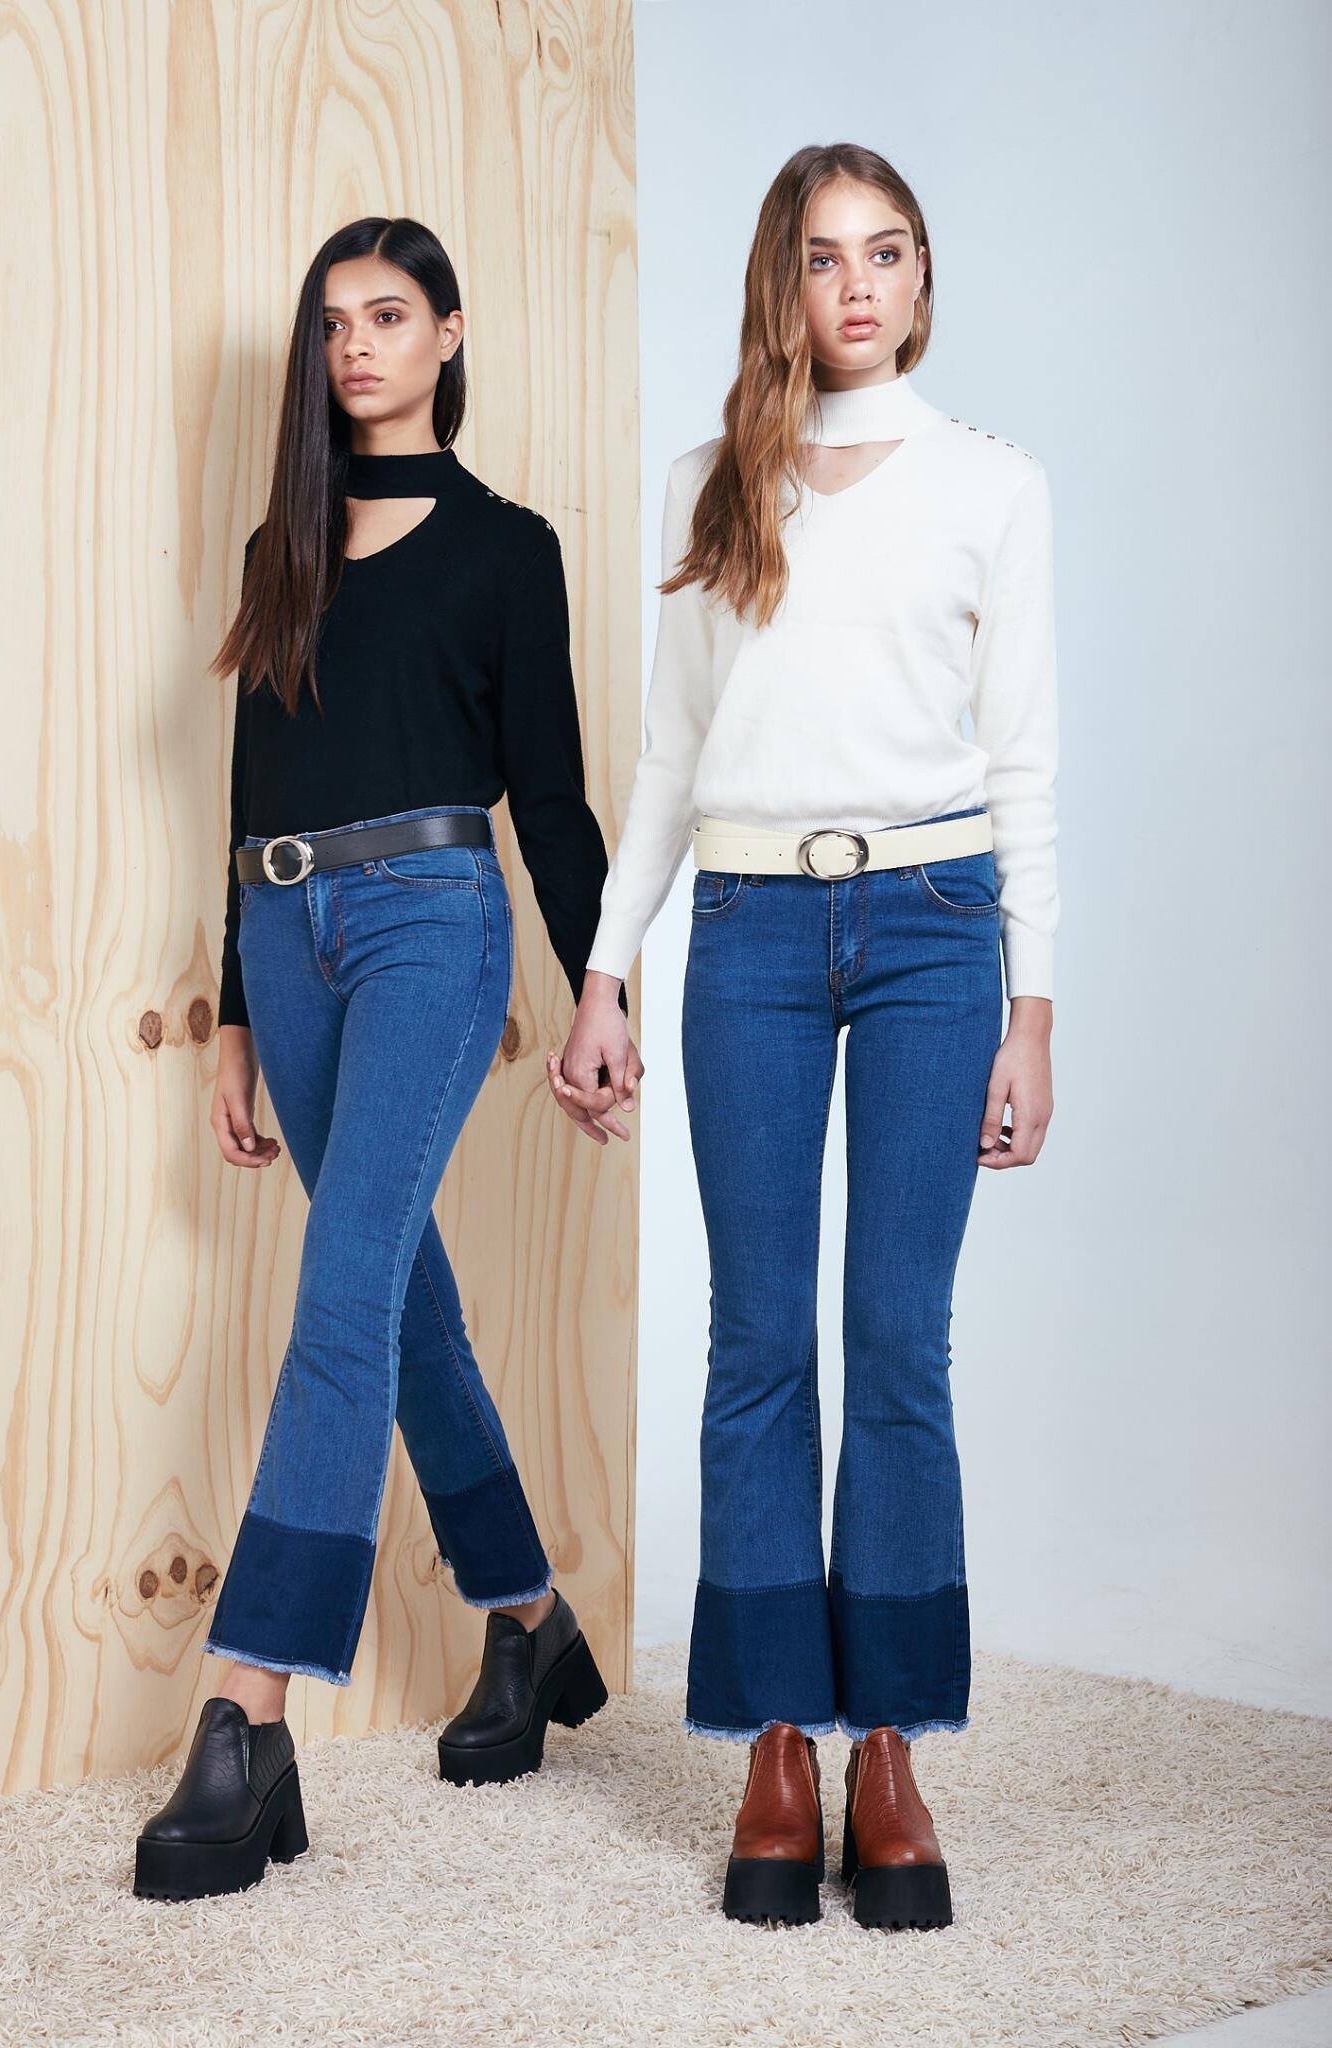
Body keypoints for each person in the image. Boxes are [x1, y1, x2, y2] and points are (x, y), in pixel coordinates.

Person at [550, 143, 1058, 1930]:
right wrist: (606, 971)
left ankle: (889, 1751)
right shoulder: (711, 485)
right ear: (784, 282)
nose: (858, 285)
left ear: (922, 280)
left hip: (934, 932)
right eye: (826, 257)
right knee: (757, 1340)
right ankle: (776, 1741)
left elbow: (1024, 766)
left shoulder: (990, 486)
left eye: (887, 252)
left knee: (896, 1341)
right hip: (750, 934)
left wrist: (1031, 1011)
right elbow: (670, 756)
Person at [134, 216, 622, 1901]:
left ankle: (245, 1710)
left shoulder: (505, 549)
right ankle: (531, 1622)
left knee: (340, 1298)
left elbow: (549, 796)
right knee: (400, 1304)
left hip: (431, 921)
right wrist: (234, 1015)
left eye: (389, 314)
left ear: (446, 336)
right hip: (287, 933)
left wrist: (600, 989)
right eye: (333, 321)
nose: (355, 345)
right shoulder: (283, 547)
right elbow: (246, 792)